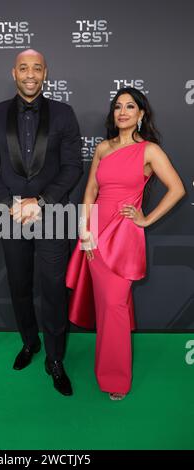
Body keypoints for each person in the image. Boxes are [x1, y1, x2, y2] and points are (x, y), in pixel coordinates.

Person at [66, 87, 185, 400]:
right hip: (95, 233)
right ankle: (109, 366)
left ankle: (115, 379)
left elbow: (177, 189)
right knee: (107, 305)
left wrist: (146, 219)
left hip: (123, 235)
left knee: (115, 305)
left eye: (130, 106)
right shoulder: (104, 148)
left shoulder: (149, 151)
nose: (122, 112)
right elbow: (90, 191)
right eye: (118, 106)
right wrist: (85, 231)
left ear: (141, 114)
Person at [0, 49, 82, 396]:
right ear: (14, 73)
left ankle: (54, 358)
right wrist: (9, 203)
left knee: (53, 288)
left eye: (36, 68)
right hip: (9, 215)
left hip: (52, 213)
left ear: (45, 73)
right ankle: (29, 343)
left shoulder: (64, 114)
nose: (30, 74)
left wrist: (40, 202)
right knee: (19, 285)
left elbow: (72, 167)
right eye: (24, 68)